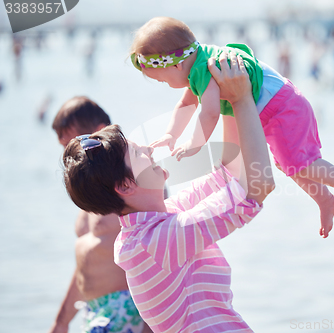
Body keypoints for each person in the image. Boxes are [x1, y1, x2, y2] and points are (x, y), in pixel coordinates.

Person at [61, 52, 275, 332]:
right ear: (126, 185)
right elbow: (257, 188)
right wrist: (243, 99)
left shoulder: (157, 221)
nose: (150, 150)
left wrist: (225, 97)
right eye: (138, 153)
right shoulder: (152, 242)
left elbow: (228, 173)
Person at [129, 17, 334, 239]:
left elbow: (210, 111)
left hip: (283, 108)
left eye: (163, 80)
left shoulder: (205, 69)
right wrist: (171, 134)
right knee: (288, 163)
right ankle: (325, 199)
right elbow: (187, 103)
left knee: (298, 163)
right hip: (276, 108)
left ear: (176, 66)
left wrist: (195, 143)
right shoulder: (198, 63)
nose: (165, 85)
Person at [50, 97, 152, 333]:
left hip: (128, 306)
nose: (70, 156)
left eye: (74, 144)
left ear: (99, 132)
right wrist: (62, 321)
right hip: (94, 309)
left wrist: (151, 324)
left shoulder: (131, 180)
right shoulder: (91, 192)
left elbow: (159, 247)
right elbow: (88, 261)